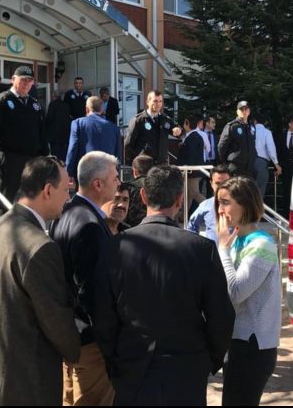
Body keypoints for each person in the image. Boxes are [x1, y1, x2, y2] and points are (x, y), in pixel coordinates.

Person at [94, 165, 235, 406]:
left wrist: (115, 361)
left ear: (143, 197)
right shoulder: (201, 249)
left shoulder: (116, 246)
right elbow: (221, 316)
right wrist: (208, 361)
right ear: (180, 200)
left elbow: (103, 315)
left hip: (134, 367)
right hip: (185, 370)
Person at [0, 157, 81, 406]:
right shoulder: (40, 246)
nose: (67, 197)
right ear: (48, 190)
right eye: (66, 190)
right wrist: (75, 351)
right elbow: (54, 316)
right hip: (28, 379)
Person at [51, 151, 120, 406]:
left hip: (71, 332)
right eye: (114, 178)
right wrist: (108, 340)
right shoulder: (89, 224)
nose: (118, 183)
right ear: (98, 184)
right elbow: (93, 290)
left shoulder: (65, 213)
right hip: (90, 340)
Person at [216, 176, 281, 406]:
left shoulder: (261, 244)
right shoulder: (235, 240)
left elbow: (235, 292)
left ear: (245, 204)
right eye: (218, 203)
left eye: (225, 202)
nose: (220, 210)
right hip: (236, 341)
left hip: (254, 346)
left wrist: (222, 249)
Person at [0, 66, 48, 203]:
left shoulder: (35, 104)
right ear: (13, 79)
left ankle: (25, 223)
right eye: (23, 80)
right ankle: (2, 223)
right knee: (6, 196)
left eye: (30, 81)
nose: (26, 84)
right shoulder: (2, 101)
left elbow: (41, 131)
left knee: (32, 195)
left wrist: (45, 155)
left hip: (32, 158)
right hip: (10, 157)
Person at [66, 96, 123, 181]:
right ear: (102, 110)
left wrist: (69, 173)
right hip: (107, 176)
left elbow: (72, 150)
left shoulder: (78, 124)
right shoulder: (114, 128)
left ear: (87, 109)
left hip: (85, 174)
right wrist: (116, 177)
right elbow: (118, 155)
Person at [124, 90, 182, 165]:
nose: (158, 104)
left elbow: (176, 130)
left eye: (160, 101)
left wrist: (178, 130)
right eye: (155, 101)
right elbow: (128, 144)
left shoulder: (165, 119)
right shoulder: (139, 120)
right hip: (144, 165)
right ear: (148, 102)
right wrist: (132, 164)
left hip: (161, 165)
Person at [187, 164, 232, 242]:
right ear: (211, 183)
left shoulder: (240, 205)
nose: (222, 186)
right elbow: (191, 226)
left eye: (225, 182)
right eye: (218, 183)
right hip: (212, 252)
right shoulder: (206, 205)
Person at [219, 101, 257, 178]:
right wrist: (226, 164)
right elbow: (221, 146)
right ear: (237, 112)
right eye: (241, 109)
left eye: (246, 109)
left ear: (249, 111)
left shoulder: (252, 126)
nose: (244, 112)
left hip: (249, 168)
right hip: (236, 168)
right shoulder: (232, 126)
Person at [177, 114, 207, 208]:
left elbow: (191, 155)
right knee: (188, 195)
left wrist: (185, 169)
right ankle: (183, 217)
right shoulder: (195, 136)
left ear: (187, 123)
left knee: (195, 193)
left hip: (192, 171)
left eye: (184, 123)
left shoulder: (192, 137)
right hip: (194, 171)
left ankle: (213, 209)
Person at [253, 116, 281, 198]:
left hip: (248, 162)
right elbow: (271, 148)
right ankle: (257, 210)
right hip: (261, 162)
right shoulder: (266, 132)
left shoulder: (249, 131)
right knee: (259, 191)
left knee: (248, 189)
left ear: (255, 121)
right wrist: (276, 164)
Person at [276, 118, 293, 216]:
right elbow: (278, 151)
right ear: (290, 124)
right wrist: (277, 167)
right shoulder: (281, 135)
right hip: (284, 169)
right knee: (285, 192)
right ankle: (285, 214)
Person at [126, 154, 154, 227]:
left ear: (135, 171)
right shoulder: (157, 186)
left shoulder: (129, 187)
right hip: (152, 225)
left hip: (131, 228)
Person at [47, 91, 73, 161]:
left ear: (53, 96)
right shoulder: (66, 105)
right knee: (63, 154)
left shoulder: (52, 104)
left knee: (55, 156)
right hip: (65, 135)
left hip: (55, 135)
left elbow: (49, 118)